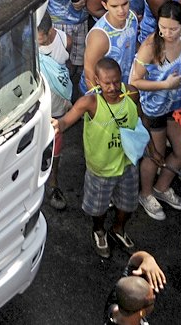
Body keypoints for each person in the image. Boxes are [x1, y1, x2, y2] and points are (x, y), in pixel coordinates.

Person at [55, 55, 143, 258]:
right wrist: (56, 125)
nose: (112, 87)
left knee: (128, 204)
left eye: (116, 81)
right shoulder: (90, 102)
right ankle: (99, 231)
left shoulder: (132, 94)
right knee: (99, 207)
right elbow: (66, 121)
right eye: (106, 83)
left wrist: (152, 149)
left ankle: (118, 229)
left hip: (128, 162)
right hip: (101, 168)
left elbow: (138, 120)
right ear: (96, 81)